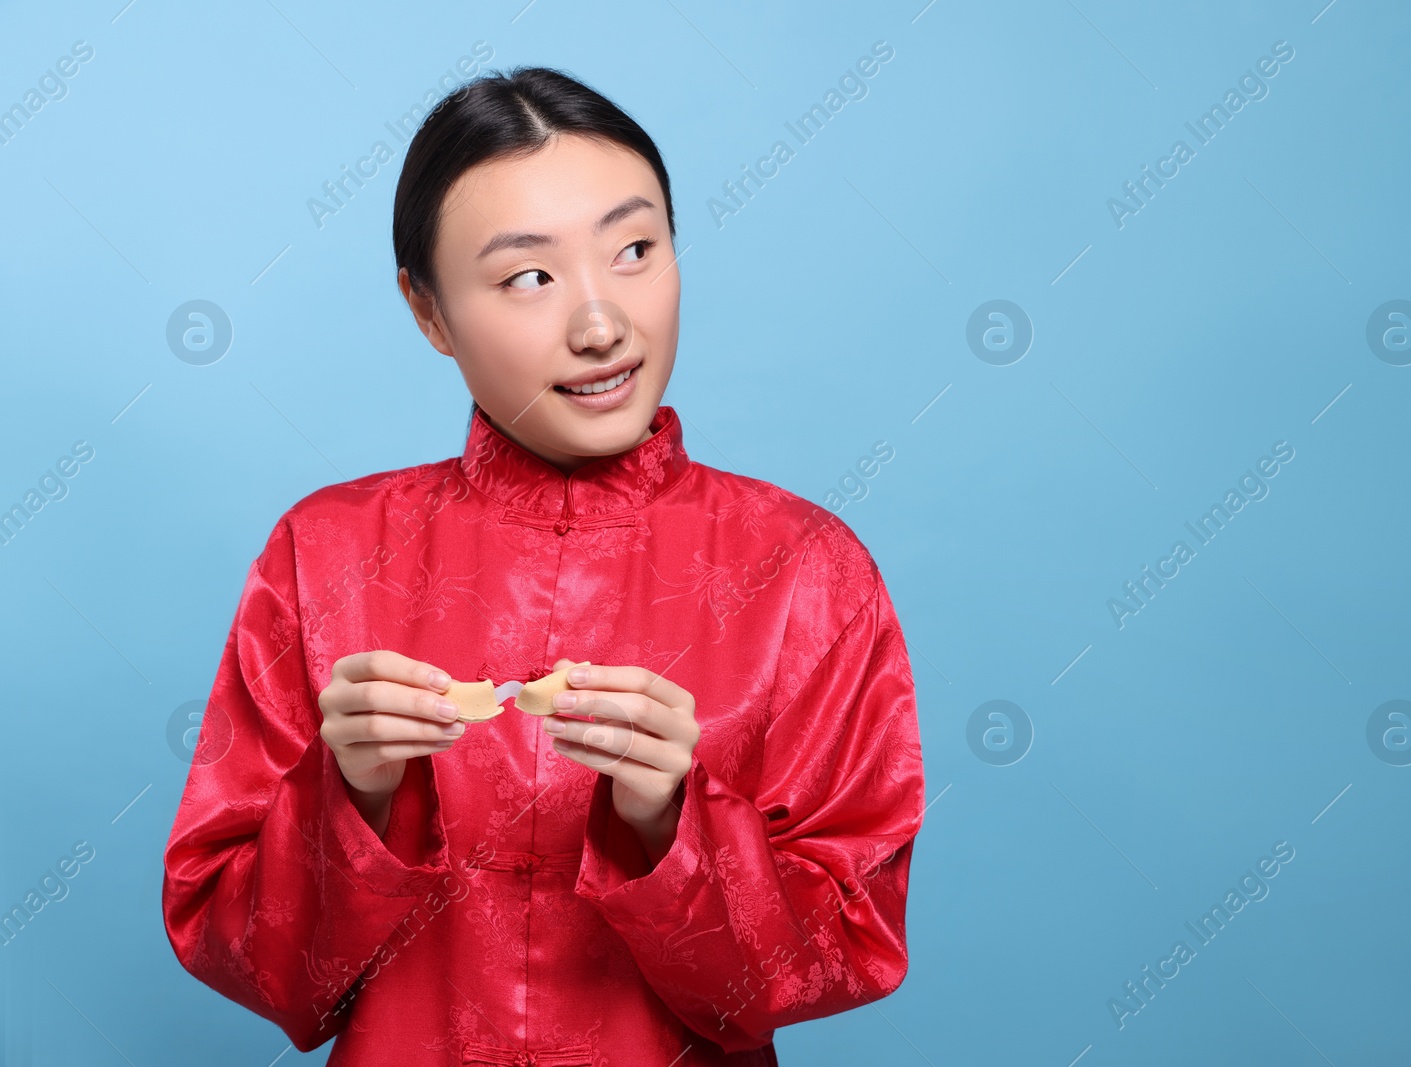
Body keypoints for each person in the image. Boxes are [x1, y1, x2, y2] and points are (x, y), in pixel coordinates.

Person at [160, 66, 926, 1066]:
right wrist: (353, 796)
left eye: (636, 249)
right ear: (428, 313)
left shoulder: (805, 569)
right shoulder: (326, 552)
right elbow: (251, 963)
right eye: (530, 275)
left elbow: (846, 951)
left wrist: (672, 821)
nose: (602, 323)